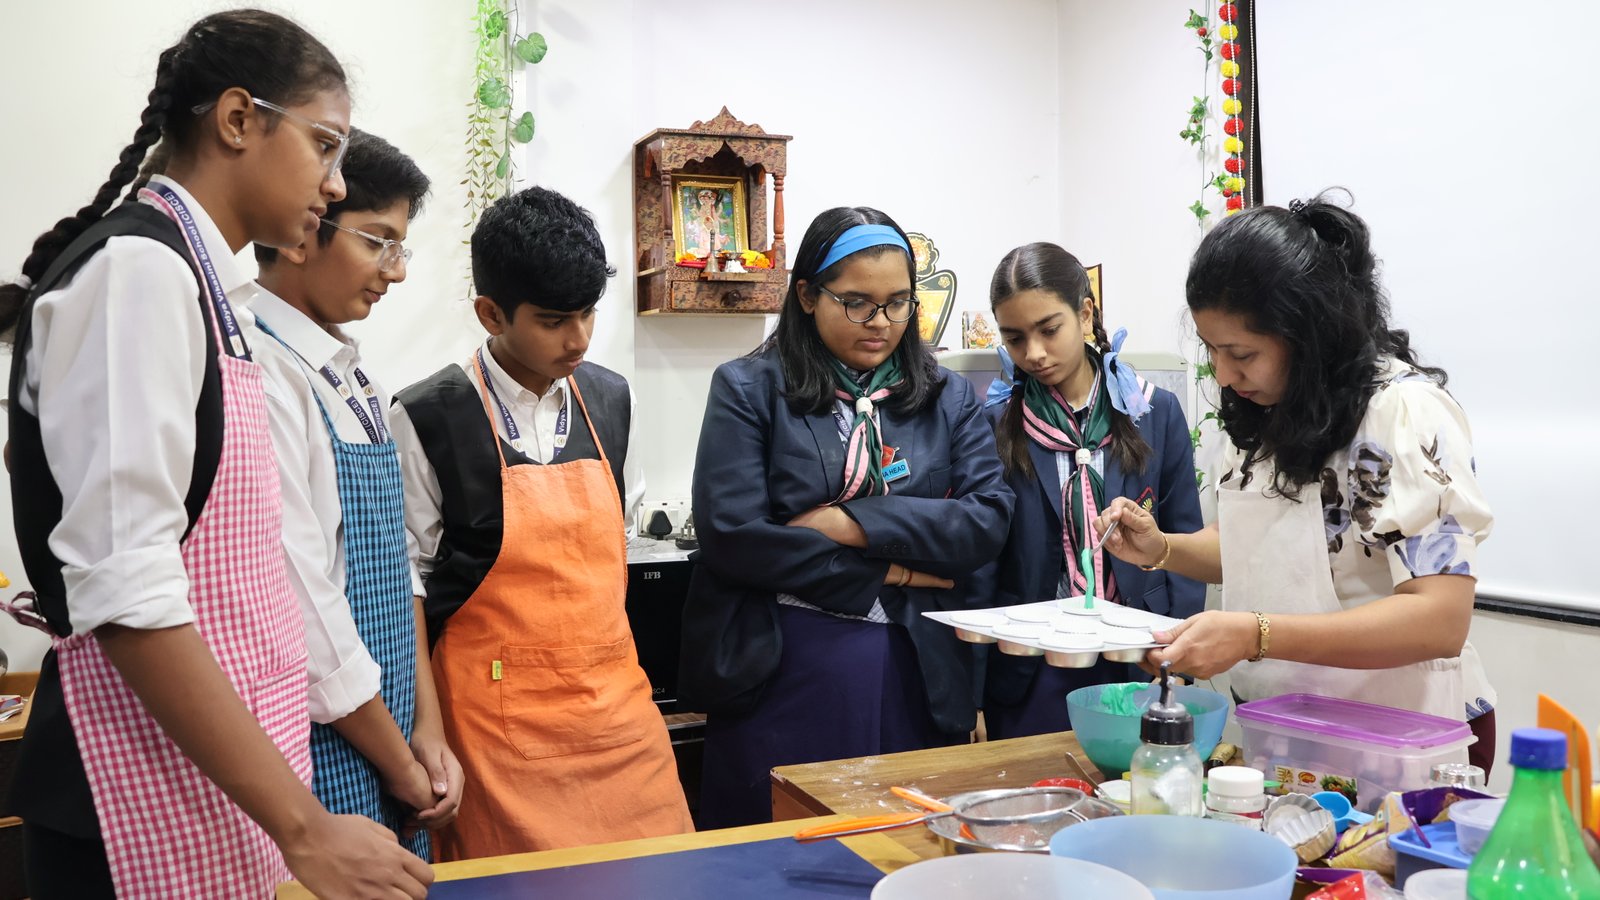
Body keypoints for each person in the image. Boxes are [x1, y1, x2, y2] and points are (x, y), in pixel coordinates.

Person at [1, 10, 431, 898]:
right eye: (324, 145)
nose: (334, 183)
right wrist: (305, 826)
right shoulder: (139, 273)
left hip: (212, 788)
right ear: (238, 120)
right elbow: (128, 594)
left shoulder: (204, 286)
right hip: (130, 794)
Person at [1097, 192, 1498, 771]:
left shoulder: (1401, 414)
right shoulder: (1266, 409)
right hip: (1296, 730)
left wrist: (1254, 635)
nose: (1224, 375)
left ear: (1308, 334)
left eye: (1241, 353)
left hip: (1407, 732)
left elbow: (1439, 619)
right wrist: (1163, 549)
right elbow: (1260, 548)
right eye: (1211, 351)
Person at [680, 206, 1015, 828]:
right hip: (783, 665)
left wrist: (849, 524)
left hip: (917, 667)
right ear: (808, 296)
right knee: (785, 851)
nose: (881, 322)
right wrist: (895, 571)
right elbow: (734, 538)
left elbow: (986, 521)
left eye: (898, 303)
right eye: (857, 303)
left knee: (906, 849)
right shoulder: (750, 389)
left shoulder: (946, 397)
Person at [390, 186, 691, 859]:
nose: (578, 339)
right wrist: (426, 732)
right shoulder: (428, 417)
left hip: (618, 718)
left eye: (588, 314)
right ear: (491, 312)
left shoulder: (611, 401)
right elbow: (406, 589)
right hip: (492, 733)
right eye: (554, 320)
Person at [248, 128, 461, 859]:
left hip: (392, 734)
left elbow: (397, 567)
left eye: (401, 248)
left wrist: (427, 727)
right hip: (325, 745)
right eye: (378, 242)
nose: (393, 272)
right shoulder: (263, 371)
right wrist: (400, 762)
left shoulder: (353, 374)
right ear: (306, 229)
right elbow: (305, 608)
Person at [986, 242, 1204, 738]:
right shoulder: (996, 424)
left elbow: (1184, 538)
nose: (1033, 353)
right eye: (1015, 338)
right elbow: (985, 560)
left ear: (1085, 314)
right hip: (1032, 663)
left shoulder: (1152, 411)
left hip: (1139, 652)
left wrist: (1179, 652)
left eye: (1049, 330)